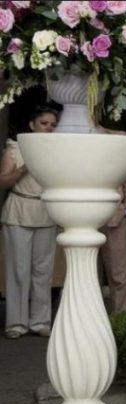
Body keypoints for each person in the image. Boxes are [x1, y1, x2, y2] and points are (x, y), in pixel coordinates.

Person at [0, 105, 59, 339]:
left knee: (43, 270)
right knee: (18, 269)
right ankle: (16, 324)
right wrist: (25, 168)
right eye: (44, 123)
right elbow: (3, 181)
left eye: (53, 125)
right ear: (32, 125)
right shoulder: (15, 148)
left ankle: (40, 322)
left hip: (45, 210)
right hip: (18, 210)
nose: (49, 128)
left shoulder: (57, 149)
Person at [97, 127, 126, 314]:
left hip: (114, 215)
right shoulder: (70, 132)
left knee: (118, 272)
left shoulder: (118, 138)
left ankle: (122, 317)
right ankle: (90, 316)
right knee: (85, 272)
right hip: (81, 215)